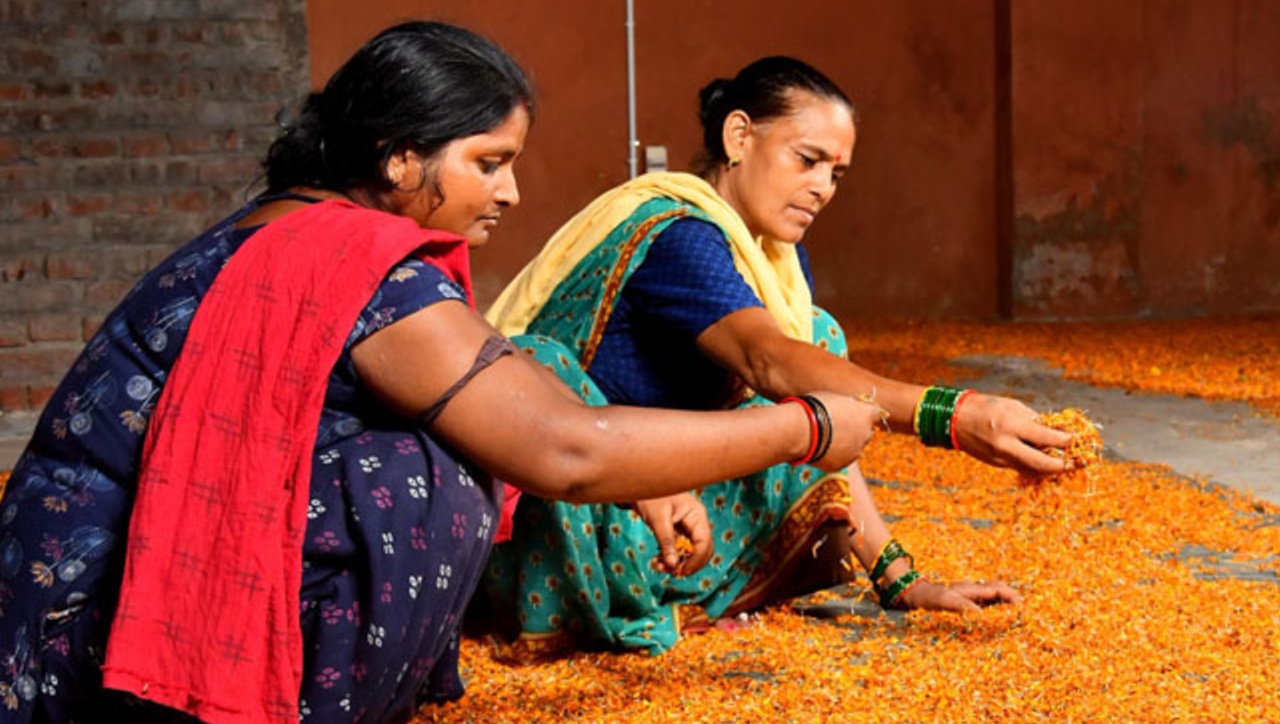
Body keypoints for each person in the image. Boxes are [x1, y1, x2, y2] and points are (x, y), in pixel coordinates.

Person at [0, 25, 878, 724]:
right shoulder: (366, 269)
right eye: (488, 163)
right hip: (94, 643)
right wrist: (804, 428)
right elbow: (566, 450)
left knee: (499, 389)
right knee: (451, 446)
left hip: (76, 614)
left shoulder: (292, 229)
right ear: (398, 157)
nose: (511, 194)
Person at [480, 56, 1079, 661]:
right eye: (808, 159)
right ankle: (607, 604)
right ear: (739, 136)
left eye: (837, 173)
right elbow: (770, 364)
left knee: (815, 339)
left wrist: (902, 580)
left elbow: (815, 406)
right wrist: (954, 415)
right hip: (586, 516)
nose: (823, 187)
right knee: (804, 356)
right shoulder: (680, 236)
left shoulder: (771, 259)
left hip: (675, 508)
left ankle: (704, 586)